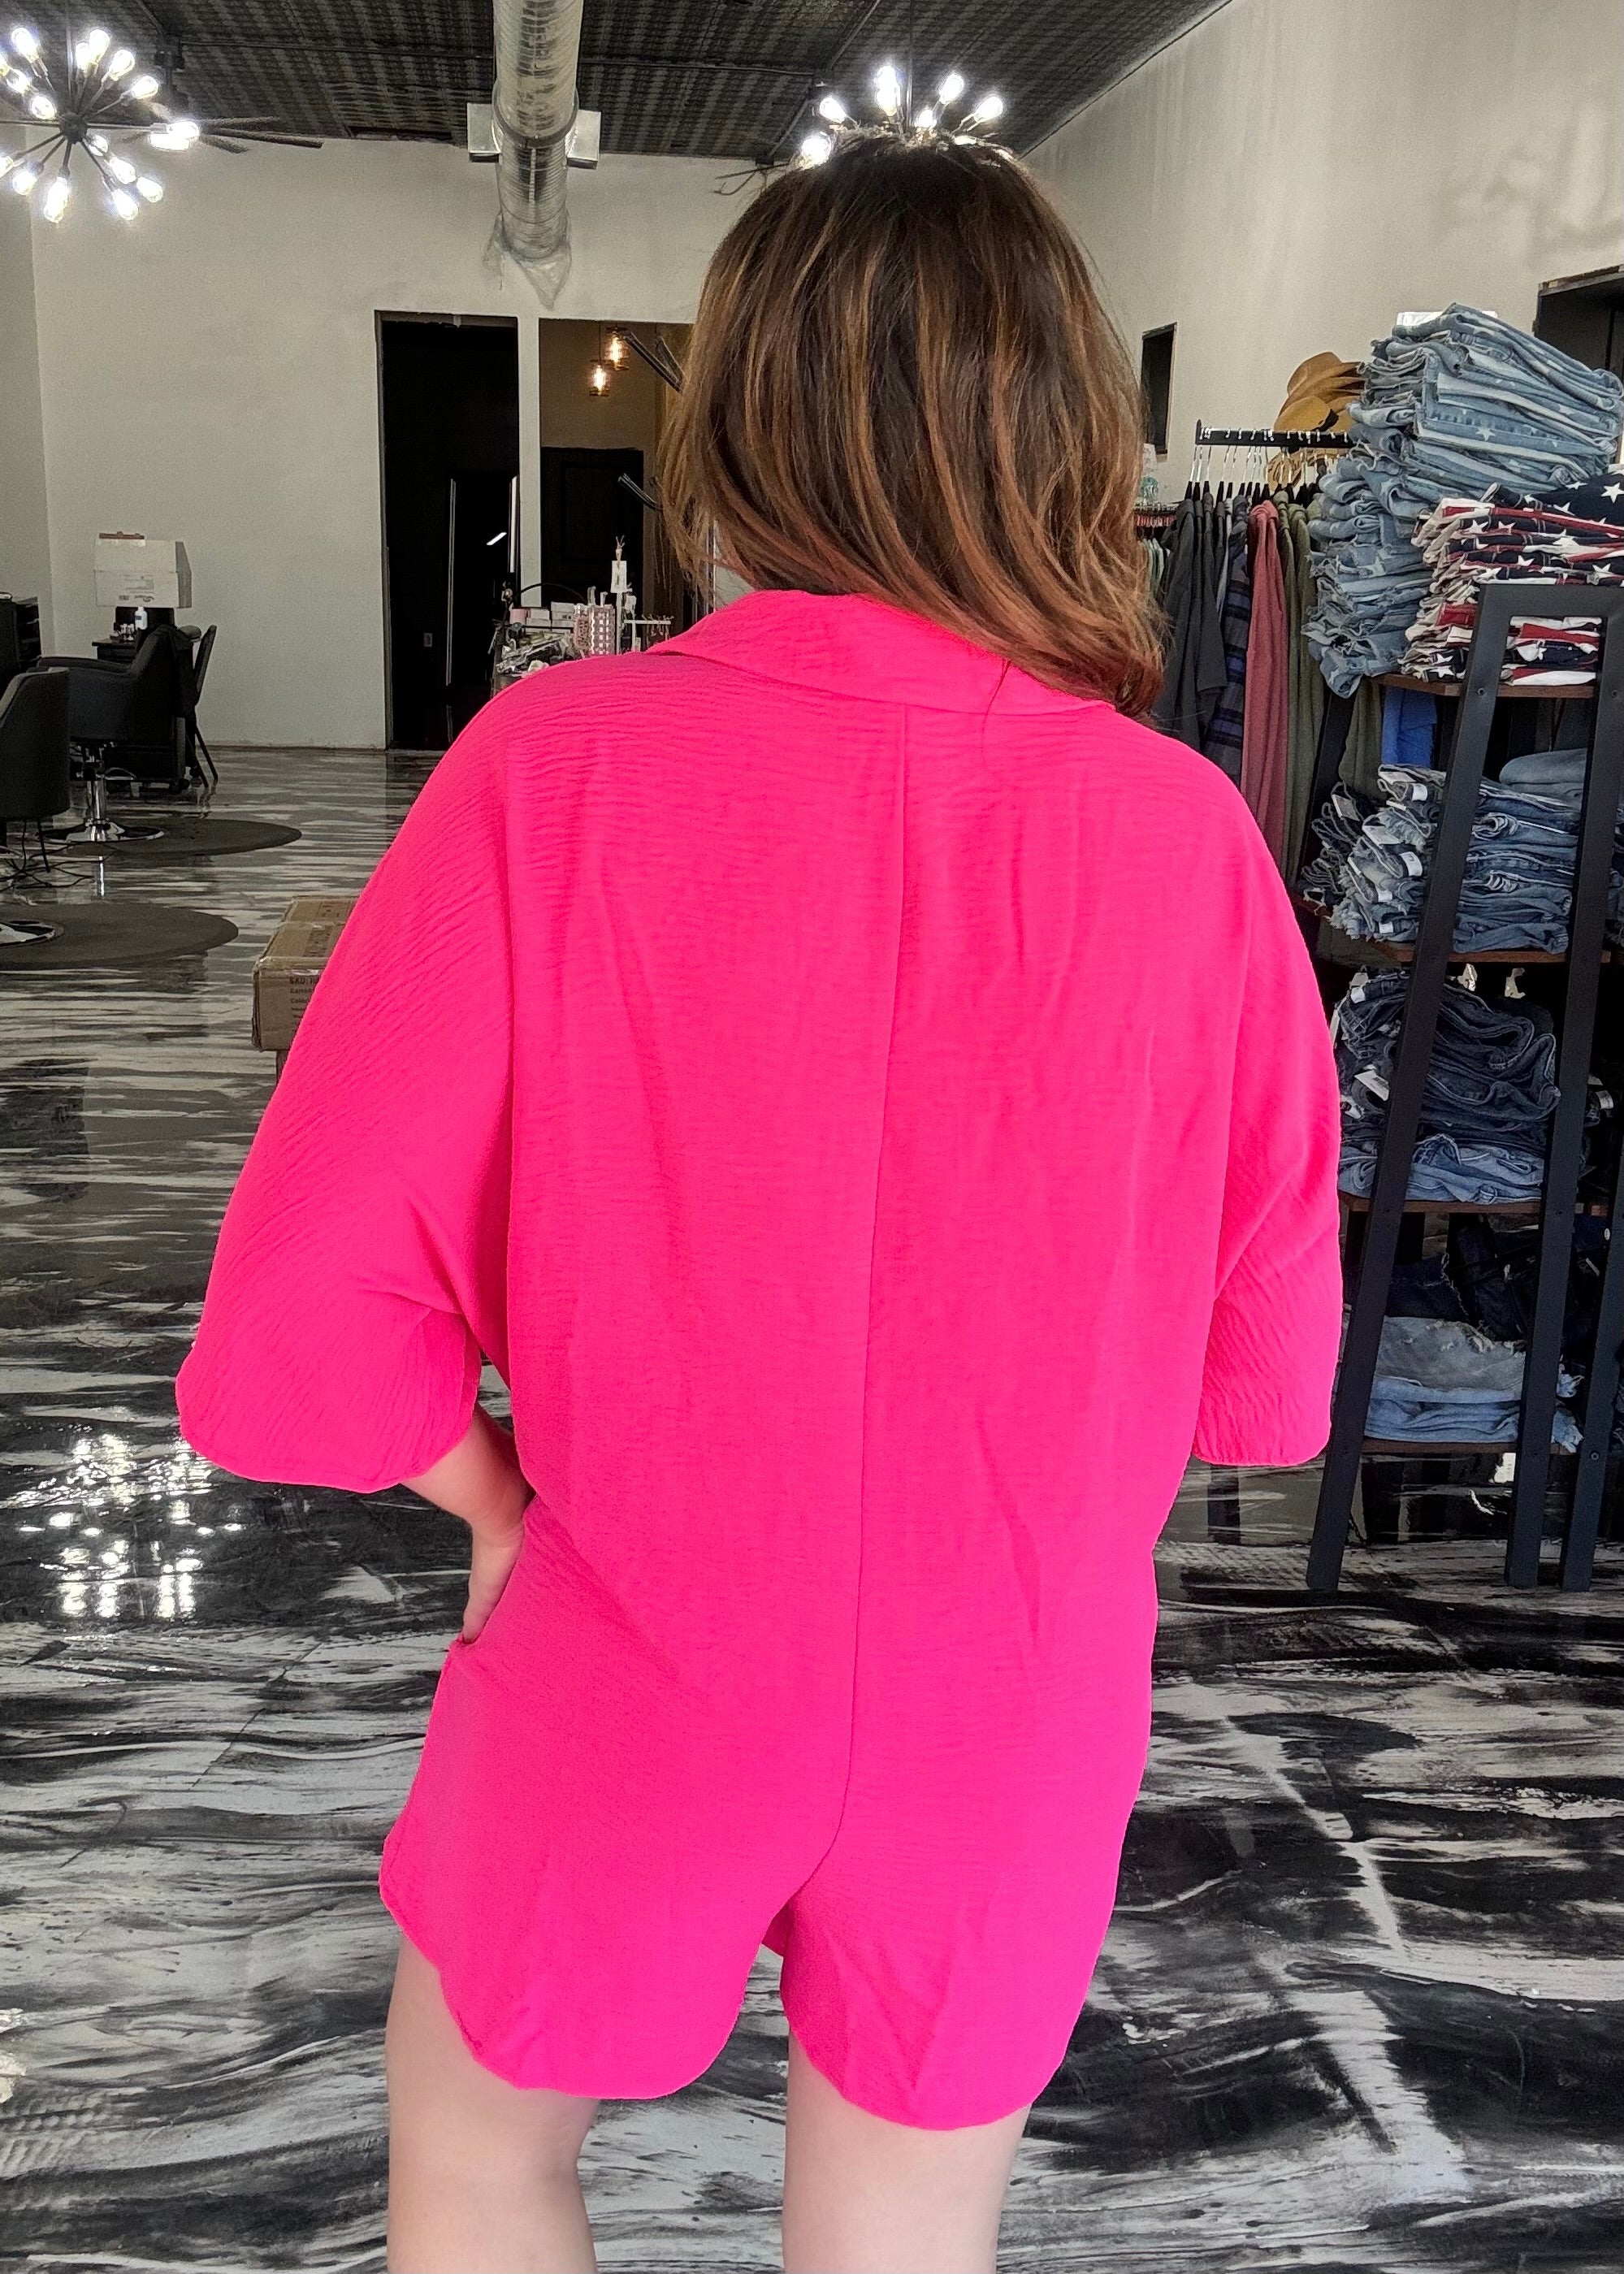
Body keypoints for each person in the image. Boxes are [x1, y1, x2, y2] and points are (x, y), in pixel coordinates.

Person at [177, 128, 1342, 2274]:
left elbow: (307, 1311)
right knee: (906, 2229)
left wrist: (501, 1515)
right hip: (1012, 1683)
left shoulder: (555, 767)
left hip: (633, 1630)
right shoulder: (1191, 842)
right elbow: (1260, 1378)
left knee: (480, 2151)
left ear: (745, 419)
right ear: (1065, 434)